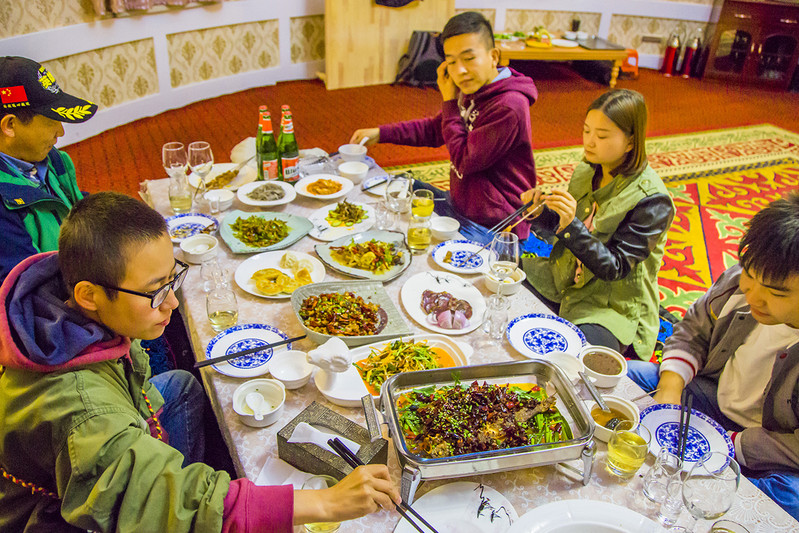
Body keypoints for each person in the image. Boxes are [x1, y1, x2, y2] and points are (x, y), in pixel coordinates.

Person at [0, 192, 399, 532]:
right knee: (185, 501)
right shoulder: (87, 412)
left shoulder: (61, 300)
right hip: (54, 518)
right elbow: (155, 500)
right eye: (156, 292)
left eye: (173, 280)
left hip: (113, 429)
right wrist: (327, 504)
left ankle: (188, 473)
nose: (172, 303)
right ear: (89, 295)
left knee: (184, 387)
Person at [627, 192, 799, 520]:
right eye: (751, 273)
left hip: (768, 444)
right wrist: (669, 392)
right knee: (630, 375)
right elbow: (693, 328)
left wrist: (729, 445)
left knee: (792, 500)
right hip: (710, 398)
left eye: (777, 292)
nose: (756, 297)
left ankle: (712, 501)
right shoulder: (739, 284)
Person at [350, 11, 538, 242]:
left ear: (494, 56)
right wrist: (381, 133)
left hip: (497, 224)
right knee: (394, 196)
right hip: (467, 206)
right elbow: (436, 129)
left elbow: (464, 160)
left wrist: (449, 101)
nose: (459, 70)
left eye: (469, 59)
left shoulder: (509, 106)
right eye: (451, 61)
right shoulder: (473, 89)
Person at [519, 89, 674, 360]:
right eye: (586, 131)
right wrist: (540, 212)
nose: (589, 142)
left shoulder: (653, 202)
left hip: (611, 305)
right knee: (503, 282)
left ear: (630, 142)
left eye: (601, 136)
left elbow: (616, 268)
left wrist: (570, 225)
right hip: (564, 279)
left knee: (574, 359)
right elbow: (563, 233)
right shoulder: (587, 170)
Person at [0, 55, 97, 282]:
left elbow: (72, 203)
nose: (61, 132)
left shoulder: (50, 158)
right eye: (51, 120)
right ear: (10, 126)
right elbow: (27, 286)